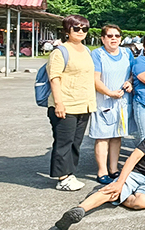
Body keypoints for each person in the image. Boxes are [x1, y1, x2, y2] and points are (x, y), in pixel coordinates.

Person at [47, 15, 95, 191]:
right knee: (63, 142)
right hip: (65, 104)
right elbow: (55, 78)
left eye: (84, 29)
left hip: (84, 104)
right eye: (76, 28)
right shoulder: (60, 52)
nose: (81, 32)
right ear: (67, 30)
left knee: (76, 142)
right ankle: (62, 177)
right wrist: (59, 103)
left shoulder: (86, 51)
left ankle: (70, 172)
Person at [89, 24, 134, 185]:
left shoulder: (126, 53)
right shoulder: (97, 54)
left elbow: (132, 74)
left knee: (117, 135)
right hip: (104, 101)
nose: (113, 39)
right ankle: (102, 171)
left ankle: (114, 169)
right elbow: (95, 79)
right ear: (103, 38)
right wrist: (109, 92)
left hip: (122, 101)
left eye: (116, 36)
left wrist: (130, 82)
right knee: (102, 136)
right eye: (110, 36)